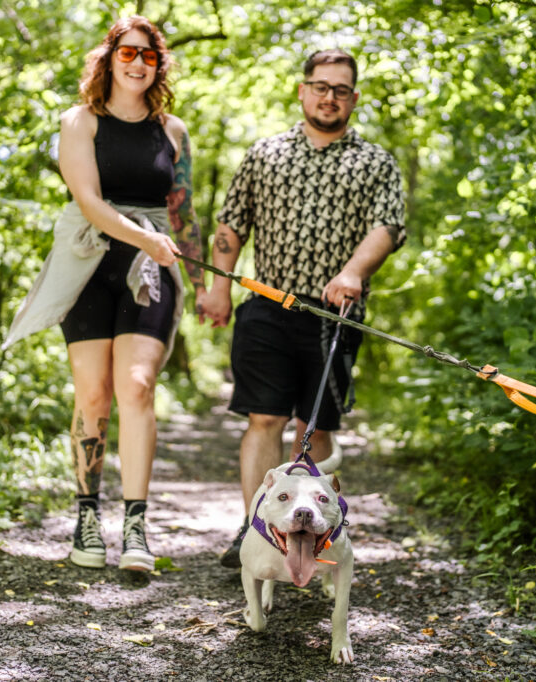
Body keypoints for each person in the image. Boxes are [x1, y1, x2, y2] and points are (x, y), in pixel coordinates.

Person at [2, 16, 205, 571]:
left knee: (136, 386)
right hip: (90, 260)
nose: (139, 63)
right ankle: (87, 515)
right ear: (110, 58)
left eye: (149, 56)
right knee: (93, 395)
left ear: (158, 65)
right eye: (128, 53)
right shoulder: (80, 121)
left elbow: (183, 211)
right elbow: (89, 201)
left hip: (152, 266)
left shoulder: (174, 132)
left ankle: (136, 527)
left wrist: (205, 282)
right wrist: (146, 235)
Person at [196, 49, 406, 568]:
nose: (328, 96)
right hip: (266, 306)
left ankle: (309, 535)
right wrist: (216, 287)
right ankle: (256, 531)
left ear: (353, 98)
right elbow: (231, 223)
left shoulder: (375, 162)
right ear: (302, 90)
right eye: (320, 86)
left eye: (340, 89)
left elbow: (388, 227)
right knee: (263, 417)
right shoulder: (265, 153)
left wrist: (354, 271)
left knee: (313, 429)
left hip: (334, 319)